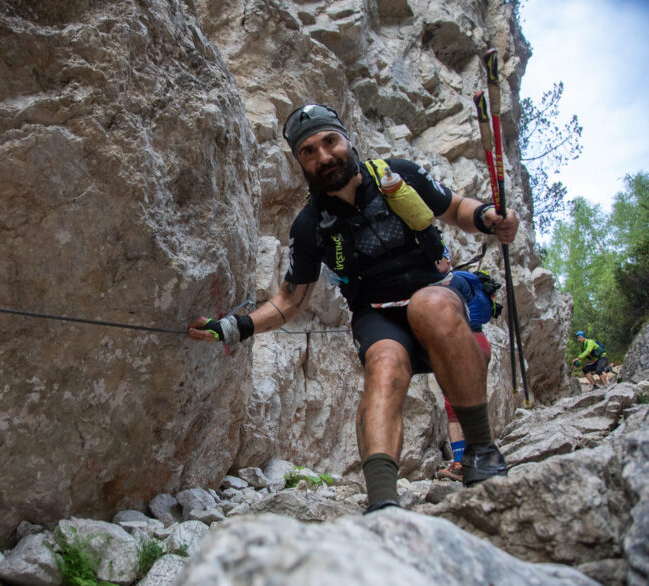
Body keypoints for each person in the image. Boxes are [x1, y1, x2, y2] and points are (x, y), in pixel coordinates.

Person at [187, 104, 517, 512]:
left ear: (348, 140)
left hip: (434, 296)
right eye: (308, 151)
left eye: (330, 142)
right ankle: (382, 503)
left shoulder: (400, 176)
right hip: (377, 314)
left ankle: (481, 452)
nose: (324, 156)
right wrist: (233, 328)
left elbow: (453, 208)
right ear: (300, 164)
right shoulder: (310, 226)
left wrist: (486, 216)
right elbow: (290, 299)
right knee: (384, 364)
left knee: (428, 305)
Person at [433, 247, 502, 482]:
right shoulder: (463, 280)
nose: (432, 263)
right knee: (472, 404)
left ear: (446, 259)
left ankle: (462, 463)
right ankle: (484, 460)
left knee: (456, 408)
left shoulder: (449, 282)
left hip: (464, 344)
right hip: (479, 342)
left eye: (436, 258)